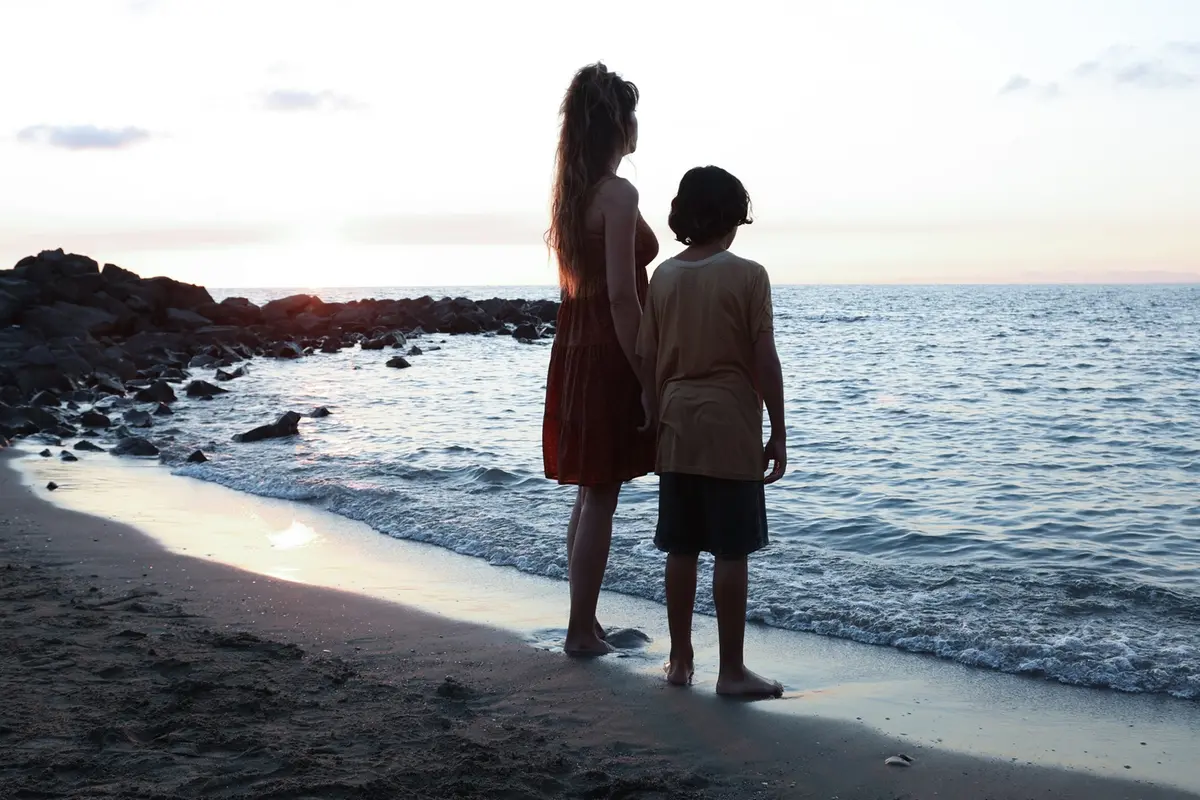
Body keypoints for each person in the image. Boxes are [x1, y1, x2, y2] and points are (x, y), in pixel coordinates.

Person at [636, 166, 786, 698]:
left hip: (676, 423)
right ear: (733, 216)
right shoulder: (749, 275)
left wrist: (654, 420)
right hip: (730, 426)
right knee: (730, 550)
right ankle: (732, 671)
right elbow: (764, 360)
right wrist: (779, 430)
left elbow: (647, 360)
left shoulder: (664, 278)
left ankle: (679, 662)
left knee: (681, 548)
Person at [543, 63, 658, 656]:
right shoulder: (617, 193)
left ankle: (582, 623)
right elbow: (621, 294)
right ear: (620, 125)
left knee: (590, 492)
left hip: (574, 349)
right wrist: (646, 377)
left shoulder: (574, 196)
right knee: (602, 493)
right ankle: (579, 632)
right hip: (608, 352)